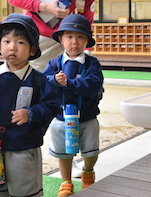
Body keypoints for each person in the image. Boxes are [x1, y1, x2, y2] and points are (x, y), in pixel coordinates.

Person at [0, 13, 59, 197]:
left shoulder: (38, 79)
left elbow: (52, 105)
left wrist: (31, 113)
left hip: (24, 146)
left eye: (21, 42)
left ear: (32, 50)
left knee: (24, 190)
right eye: (7, 41)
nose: (12, 47)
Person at [43, 14, 103, 197]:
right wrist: (53, 80)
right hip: (61, 117)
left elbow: (93, 85)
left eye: (80, 37)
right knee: (63, 153)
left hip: (87, 116)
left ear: (87, 41)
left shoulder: (92, 63)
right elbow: (43, 84)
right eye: (69, 37)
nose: (74, 42)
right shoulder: (54, 63)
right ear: (61, 39)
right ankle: (66, 181)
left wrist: (69, 83)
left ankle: (88, 171)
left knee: (90, 150)